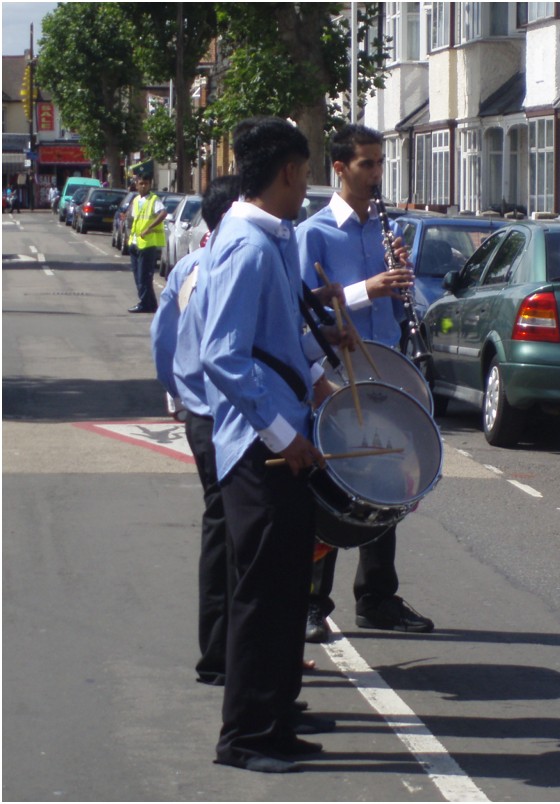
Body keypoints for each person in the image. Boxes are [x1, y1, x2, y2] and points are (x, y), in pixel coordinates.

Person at [198, 117, 354, 774]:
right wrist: (284, 435)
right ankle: (246, 735)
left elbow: (275, 339)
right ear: (288, 171)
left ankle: (276, 717)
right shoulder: (247, 246)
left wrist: (318, 368)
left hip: (281, 441)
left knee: (287, 591)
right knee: (263, 597)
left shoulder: (269, 239)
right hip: (259, 451)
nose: (308, 184)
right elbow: (222, 355)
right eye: (305, 171)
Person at [296, 123, 435, 642]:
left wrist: (399, 283)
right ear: (340, 168)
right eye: (367, 164)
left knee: (387, 481)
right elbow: (303, 312)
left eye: (380, 163)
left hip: (384, 366)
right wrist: (366, 288)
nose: (377, 174)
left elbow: (396, 307)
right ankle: (312, 601)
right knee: (335, 486)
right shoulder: (313, 233)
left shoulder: (383, 229)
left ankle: (377, 597)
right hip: (335, 373)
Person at [151, 175, 242, 687]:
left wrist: (179, 393)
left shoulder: (188, 267)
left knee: (221, 527)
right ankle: (227, 655)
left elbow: (162, 340)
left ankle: (224, 651)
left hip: (201, 413)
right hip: (230, 415)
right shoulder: (227, 266)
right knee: (236, 533)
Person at [127, 174, 167, 313]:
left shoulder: (154, 199)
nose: (143, 186)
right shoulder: (136, 200)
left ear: (150, 185)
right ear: (136, 185)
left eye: (146, 183)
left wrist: (149, 228)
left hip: (147, 244)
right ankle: (151, 304)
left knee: (143, 277)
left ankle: (144, 304)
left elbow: (163, 213)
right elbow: (133, 219)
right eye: (141, 183)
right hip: (135, 242)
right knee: (138, 276)